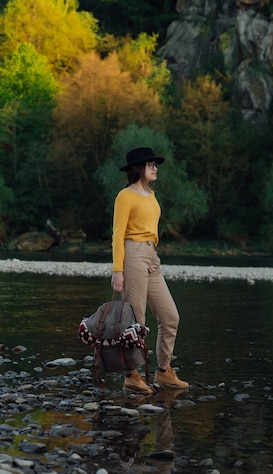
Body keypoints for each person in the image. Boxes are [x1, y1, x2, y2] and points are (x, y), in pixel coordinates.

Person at [111, 147, 189, 394]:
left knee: (170, 317)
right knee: (137, 321)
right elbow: (118, 235)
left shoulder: (151, 195)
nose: (155, 167)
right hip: (132, 255)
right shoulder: (125, 196)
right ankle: (132, 375)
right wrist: (117, 270)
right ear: (138, 168)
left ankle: (164, 371)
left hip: (152, 256)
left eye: (156, 164)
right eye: (150, 164)